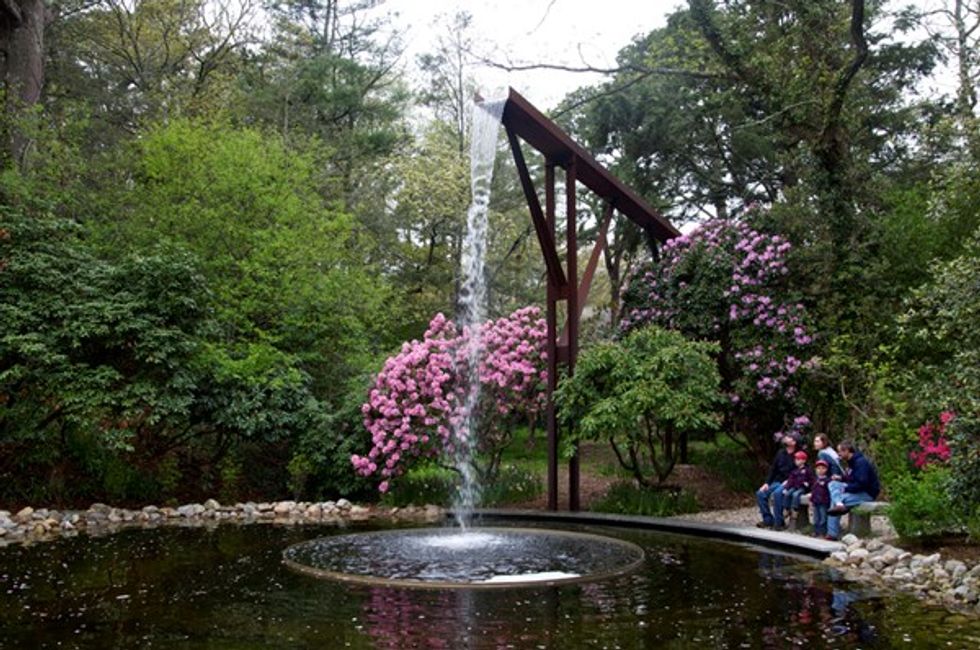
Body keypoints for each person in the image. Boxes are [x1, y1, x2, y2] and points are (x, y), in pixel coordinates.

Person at [826, 440, 881, 540]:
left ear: (847, 451)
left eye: (840, 451)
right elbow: (852, 478)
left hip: (867, 493)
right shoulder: (851, 462)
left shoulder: (861, 463)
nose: (838, 454)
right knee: (833, 484)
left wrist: (846, 488)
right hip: (855, 490)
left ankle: (832, 534)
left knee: (836, 500)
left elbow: (862, 483)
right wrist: (841, 478)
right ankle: (839, 504)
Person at [756, 435, 798, 530]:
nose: (786, 439)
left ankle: (779, 522)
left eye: (789, 438)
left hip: (790, 482)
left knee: (777, 494)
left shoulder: (798, 454)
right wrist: (767, 483)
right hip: (778, 481)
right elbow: (773, 469)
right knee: (760, 493)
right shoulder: (780, 453)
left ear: (794, 442)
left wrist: (789, 481)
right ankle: (768, 520)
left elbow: (799, 471)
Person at [781, 451, 813, 518]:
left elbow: (812, 480)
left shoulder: (807, 470)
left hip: (802, 488)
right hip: (794, 487)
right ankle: (786, 508)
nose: (796, 461)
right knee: (787, 494)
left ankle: (795, 510)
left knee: (796, 495)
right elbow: (790, 480)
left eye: (798, 459)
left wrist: (809, 485)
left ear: (804, 460)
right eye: (795, 459)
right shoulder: (794, 471)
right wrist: (786, 488)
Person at [810, 459, 831, 537]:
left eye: (823, 468)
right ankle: (816, 531)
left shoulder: (827, 480)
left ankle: (823, 532)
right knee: (816, 517)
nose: (820, 470)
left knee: (823, 517)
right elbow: (813, 490)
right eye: (818, 468)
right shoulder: (815, 480)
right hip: (816, 501)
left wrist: (827, 500)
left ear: (826, 469)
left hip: (823, 502)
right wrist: (811, 500)